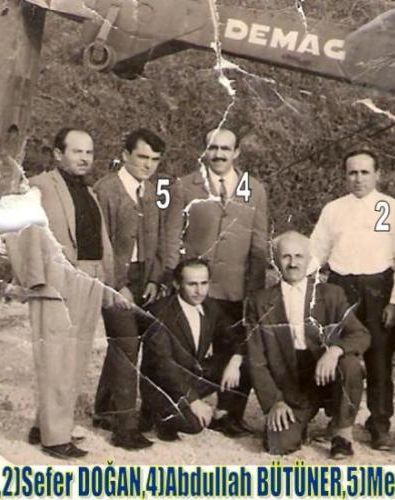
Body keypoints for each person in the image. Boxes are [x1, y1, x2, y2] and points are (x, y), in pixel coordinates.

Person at [164, 127, 268, 427]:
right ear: (204, 151)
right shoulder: (185, 186)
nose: (218, 154)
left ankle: (228, 413)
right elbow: (172, 237)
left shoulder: (254, 189)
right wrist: (173, 278)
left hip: (235, 288)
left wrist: (254, 291)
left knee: (236, 350)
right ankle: (177, 403)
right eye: (212, 147)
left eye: (225, 148)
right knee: (185, 348)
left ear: (236, 152)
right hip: (194, 287)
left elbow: (259, 244)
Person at [309, 149, 395, 449]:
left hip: (379, 290)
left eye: (365, 172)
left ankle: (379, 423)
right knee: (340, 354)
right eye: (352, 172)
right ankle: (338, 420)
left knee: (379, 358)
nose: (358, 178)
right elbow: (317, 251)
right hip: (341, 287)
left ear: (378, 174)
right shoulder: (333, 209)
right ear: (345, 175)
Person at [28, 127, 115, 459]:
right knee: (56, 357)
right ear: (57, 154)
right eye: (77, 151)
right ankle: (55, 439)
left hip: (89, 279)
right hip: (57, 281)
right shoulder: (39, 186)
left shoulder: (89, 192)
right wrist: (38, 280)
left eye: (89, 152)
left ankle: (48, 425)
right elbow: (23, 231)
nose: (84, 158)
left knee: (75, 357)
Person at [247, 231, 370, 457]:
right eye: (286, 257)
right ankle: (299, 423)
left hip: (326, 376)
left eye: (298, 256)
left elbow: (360, 334)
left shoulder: (331, 294)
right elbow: (256, 360)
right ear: (275, 261)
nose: (293, 263)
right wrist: (274, 402)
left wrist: (334, 351)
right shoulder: (260, 301)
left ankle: (342, 434)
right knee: (278, 445)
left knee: (350, 364)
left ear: (309, 259)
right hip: (291, 384)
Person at [91, 128, 167, 450]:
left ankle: (104, 409)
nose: (148, 165)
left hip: (142, 276)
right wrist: (117, 285)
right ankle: (124, 428)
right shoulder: (106, 190)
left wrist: (153, 279)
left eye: (154, 159)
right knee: (125, 344)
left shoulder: (151, 191)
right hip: (113, 277)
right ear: (125, 155)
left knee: (127, 343)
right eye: (142, 157)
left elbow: (156, 239)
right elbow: (99, 244)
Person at [140, 258, 252, 440]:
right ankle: (157, 416)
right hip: (162, 386)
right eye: (192, 284)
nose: (200, 291)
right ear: (177, 284)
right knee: (194, 423)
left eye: (204, 283)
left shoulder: (210, 306)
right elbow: (163, 365)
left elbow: (235, 337)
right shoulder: (159, 311)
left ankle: (222, 415)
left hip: (192, 374)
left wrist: (235, 361)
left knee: (244, 362)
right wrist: (193, 401)